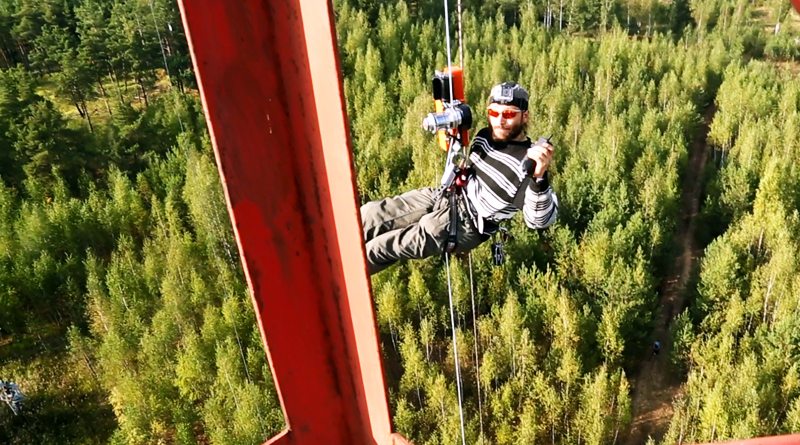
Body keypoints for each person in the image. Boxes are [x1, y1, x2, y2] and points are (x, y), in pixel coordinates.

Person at [361, 82, 558, 274]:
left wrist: (539, 177)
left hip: (466, 223)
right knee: (371, 214)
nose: (499, 121)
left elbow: (539, 221)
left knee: (381, 248)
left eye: (508, 114)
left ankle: (345, 278)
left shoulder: (525, 166)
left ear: (525, 117)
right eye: (493, 113)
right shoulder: (485, 136)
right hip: (448, 195)